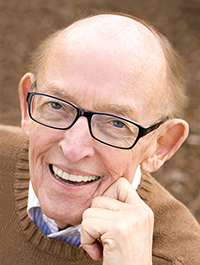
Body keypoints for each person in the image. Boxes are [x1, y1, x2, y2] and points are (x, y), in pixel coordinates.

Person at [0, 13, 200, 265]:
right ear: (29, 106)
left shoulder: (179, 256)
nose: (73, 149)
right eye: (57, 105)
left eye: (116, 123)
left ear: (161, 145)